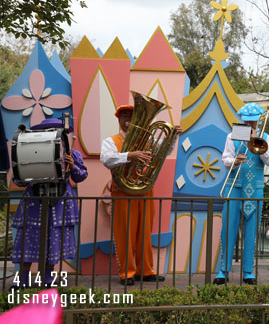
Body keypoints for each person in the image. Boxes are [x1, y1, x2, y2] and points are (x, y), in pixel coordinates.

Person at [100, 104, 180, 285]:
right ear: (119, 120)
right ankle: (127, 273)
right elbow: (106, 159)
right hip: (122, 192)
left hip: (144, 191)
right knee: (124, 233)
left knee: (145, 232)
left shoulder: (147, 139)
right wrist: (129, 155)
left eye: (131, 116)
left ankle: (146, 271)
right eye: (123, 116)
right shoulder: (111, 141)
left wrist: (173, 137)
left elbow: (165, 150)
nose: (127, 119)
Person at [11, 118, 87, 287]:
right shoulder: (31, 150)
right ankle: (21, 281)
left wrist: (73, 166)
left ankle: (47, 279)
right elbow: (19, 180)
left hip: (59, 203)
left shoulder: (71, 152)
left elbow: (81, 176)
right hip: (34, 203)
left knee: (54, 239)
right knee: (27, 240)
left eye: (57, 130)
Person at [214, 103, 269, 285]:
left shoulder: (266, 137)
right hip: (235, 186)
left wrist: (258, 142)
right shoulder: (232, 135)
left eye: (253, 123)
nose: (249, 126)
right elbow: (225, 159)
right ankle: (222, 270)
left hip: (255, 188)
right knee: (228, 228)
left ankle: (248, 271)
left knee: (252, 232)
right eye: (247, 122)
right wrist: (235, 160)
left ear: (258, 122)